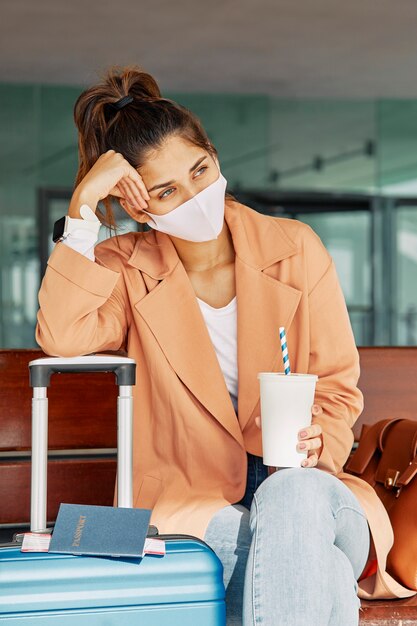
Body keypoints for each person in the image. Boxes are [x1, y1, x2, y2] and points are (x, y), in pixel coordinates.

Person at [35, 65, 416, 625]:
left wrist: (319, 445)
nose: (194, 195)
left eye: (199, 171)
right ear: (141, 207)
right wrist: (84, 204)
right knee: (311, 568)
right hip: (195, 510)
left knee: (292, 506)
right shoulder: (123, 268)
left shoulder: (295, 247)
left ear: (214, 156)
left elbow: (336, 387)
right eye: (167, 191)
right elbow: (62, 337)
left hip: (313, 491)